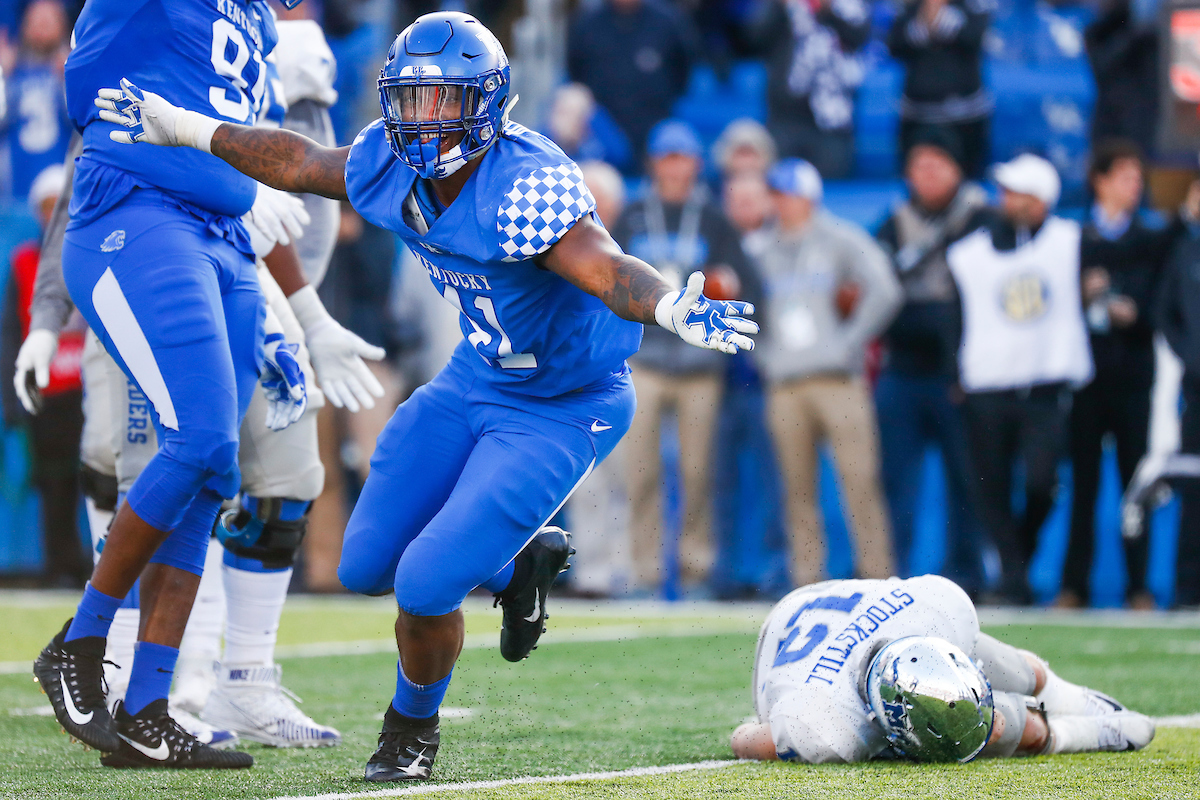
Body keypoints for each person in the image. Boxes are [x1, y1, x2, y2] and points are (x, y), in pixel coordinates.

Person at [98, 10, 758, 782]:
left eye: (441, 100)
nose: (420, 118)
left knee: (425, 582)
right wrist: (186, 127)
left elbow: (605, 266)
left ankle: (411, 728)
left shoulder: (526, 182)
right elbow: (301, 161)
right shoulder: (388, 162)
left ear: (485, 104)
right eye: (408, 99)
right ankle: (518, 569)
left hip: (563, 401)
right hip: (475, 376)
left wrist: (669, 306)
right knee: (365, 565)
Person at [28, 0, 384, 771]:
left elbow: (252, 150)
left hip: (222, 245)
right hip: (139, 219)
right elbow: (102, 112)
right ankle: (81, 643)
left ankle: (150, 709)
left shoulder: (253, 20)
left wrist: (307, 305)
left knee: (217, 469)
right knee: (200, 443)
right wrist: (242, 193)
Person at [730, 575, 1155, 763]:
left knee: (1008, 669)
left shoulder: (934, 610)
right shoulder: (827, 725)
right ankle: (1066, 735)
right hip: (788, 637)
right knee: (999, 727)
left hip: (858, 606)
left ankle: (1069, 696)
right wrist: (767, 725)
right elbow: (745, 740)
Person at [612, 119, 763, 596]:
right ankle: (644, 571)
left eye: (684, 159)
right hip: (645, 360)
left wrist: (727, 290)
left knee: (699, 473)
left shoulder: (714, 220)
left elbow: (747, 286)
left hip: (699, 366)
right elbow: (607, 278)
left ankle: (696, 569)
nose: (676, 169)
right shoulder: (633, 216)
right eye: (667, 158)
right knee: (641, 472)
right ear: (654, 163)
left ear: (697, 166)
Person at [948, 154, 1092, 605]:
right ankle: (1013, 576)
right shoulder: (969, 252)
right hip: (988, 386)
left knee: (1040, 482)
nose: (1009, 202)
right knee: (989, 488)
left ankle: (1016, 564)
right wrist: (956, 370)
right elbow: (955, 316)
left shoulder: (1071, 242)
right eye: (1008, 193)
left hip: (1044, 387)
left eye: (1020, 194)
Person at [753, 159, 901, 589]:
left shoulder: (839, 238)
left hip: (837, 379)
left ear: (808, 197)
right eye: (777, 194)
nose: (781, 202)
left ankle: (877, 576)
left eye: (788, 194)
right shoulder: (761, 249)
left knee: (859, 480)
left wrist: (849, 341)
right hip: (785, 383)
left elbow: (886, 288)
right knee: (796, 488)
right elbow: (747, 305)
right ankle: (807, 579)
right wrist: (764, 354)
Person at [1060, 140, 1186, 610]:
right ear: (1101, 180)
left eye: (1139, 179)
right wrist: (1081, 293)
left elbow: (1167, 304)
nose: (1135, 188)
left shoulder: (1152, 241)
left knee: (1137, 487)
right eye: (1126, 178)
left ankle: (1139, 587)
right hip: (1086, 381)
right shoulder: (1072, 240)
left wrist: (1135, 314)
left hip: (1134, 379)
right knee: (1084, 489)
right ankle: (1074, 586)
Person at [874, 128, 990, 593]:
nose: (927, 175)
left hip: (957, 372)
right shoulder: (894, 222)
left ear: (958, 170)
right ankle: (891, 572)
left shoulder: (981, 219)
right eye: (918, 166)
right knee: (896, 478)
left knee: (967, 480)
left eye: (937, 164)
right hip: (902, 367)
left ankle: (967, 574)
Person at [0, 164, 89, 588]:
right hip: (47, 389)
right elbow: (10, 332)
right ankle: (60, 562)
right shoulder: (24, 263)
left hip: (86, 388)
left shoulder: (93, 252)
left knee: (95, 477)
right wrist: (12, 399)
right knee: (52, 482)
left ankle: (89, 565)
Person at [743, 0, 871, 178]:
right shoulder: (781, 5)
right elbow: (754, 38)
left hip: (832, 121)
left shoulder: (851, 5)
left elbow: (859, 37)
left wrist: (827, 9)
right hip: (784, 117)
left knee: (830, 188)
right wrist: (779, 7)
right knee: (780, 186)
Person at [567, 0, 699, 164]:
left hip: (653, 124)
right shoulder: (587, 22)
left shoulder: (667, 20)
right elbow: (575, 71)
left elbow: (683, 68)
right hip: (602, 128)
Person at [888, 0, 992, 179]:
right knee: (919, 181)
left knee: (966, 181)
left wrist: (939, 15)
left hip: (965, 116)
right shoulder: (907, 7)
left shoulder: (973, 6)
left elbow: (974, 38)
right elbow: (894, 45)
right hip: (917, 114)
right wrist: (924, 16)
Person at [3, 0, 72, 199]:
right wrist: (2, 75)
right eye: (36, 19)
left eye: (49, 20)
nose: (42, 25)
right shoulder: (11, 71)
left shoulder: (68, 69)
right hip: (15, 188)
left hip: (61, 184)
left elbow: (81, 123)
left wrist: (70, 80)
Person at [543, 83, 632, 174]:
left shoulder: (595, 138)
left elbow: (622, 157)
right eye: (563, 112)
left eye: (576, 114)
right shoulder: (541, 141)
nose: (568, 120)